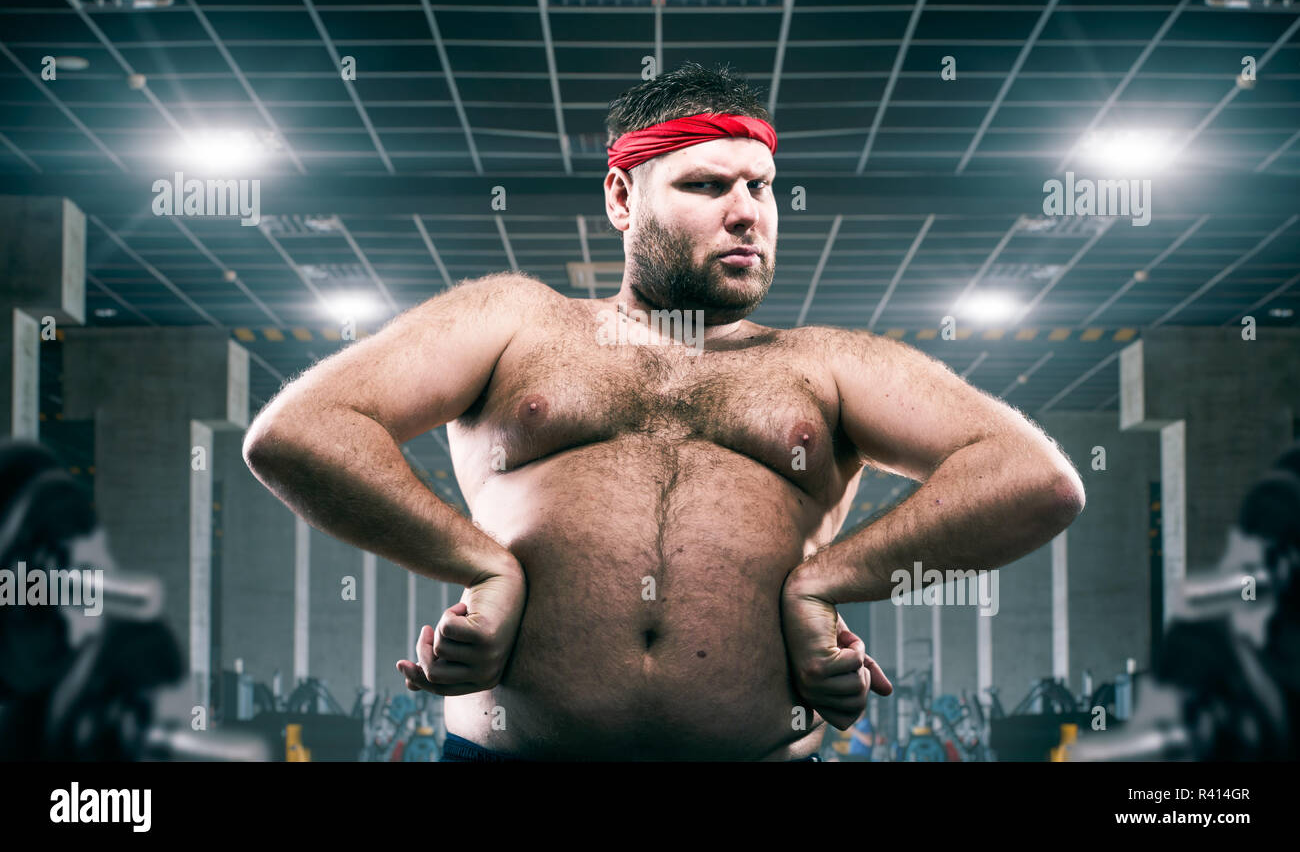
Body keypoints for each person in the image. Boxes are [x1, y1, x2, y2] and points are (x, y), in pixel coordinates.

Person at [243, 61, 1085, 761]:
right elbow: (299, 430)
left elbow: (1036, 481)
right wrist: (483, 567)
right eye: (707, 184)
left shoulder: (827, 363)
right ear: (621, 198)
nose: (747, 211)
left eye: (762, 186)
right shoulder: (514, 320)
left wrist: (825, 583)